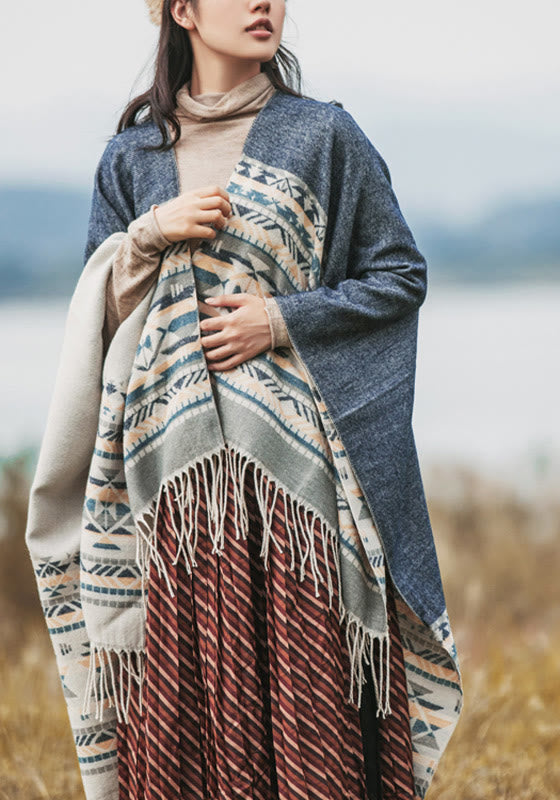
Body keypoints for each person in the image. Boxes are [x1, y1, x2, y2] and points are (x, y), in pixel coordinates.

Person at [24, 1, 463, 799]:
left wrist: (281, 319)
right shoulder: (132, 161)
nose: (265, 3)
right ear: (182, 10)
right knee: (181, 729)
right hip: (172, 501)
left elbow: (400, 274)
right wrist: (147, 236)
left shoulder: (323, 136)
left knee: (311, 726)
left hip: (296, 499)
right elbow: (104, 329)